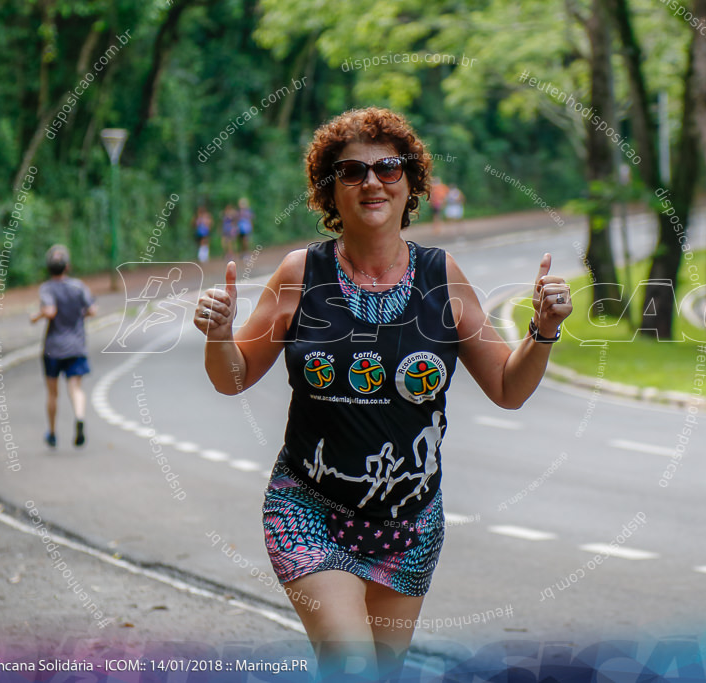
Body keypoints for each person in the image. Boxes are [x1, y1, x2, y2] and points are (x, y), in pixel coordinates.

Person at [194, 108, 572, 680]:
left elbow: (507, 387)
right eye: (352, 171)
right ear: (331, 190)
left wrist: (542, 331)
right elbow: (233, 376)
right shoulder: (301, 273)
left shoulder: (442, 276)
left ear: (411, 184)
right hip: (308, 509)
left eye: (388, 168)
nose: (371, 181)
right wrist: (220, 336)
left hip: (409, 523)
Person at [30, 245, 97, 448]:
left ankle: (52, 432)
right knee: (75, 388)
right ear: (67, 266)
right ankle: (79, 417)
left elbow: (50, 311)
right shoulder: (78, 287)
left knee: (52, 393)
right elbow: (92, 309)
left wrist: (37, 316)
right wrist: (78, 315)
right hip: (76, 345)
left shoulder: (47, 288)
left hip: (53, 348)